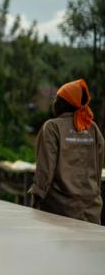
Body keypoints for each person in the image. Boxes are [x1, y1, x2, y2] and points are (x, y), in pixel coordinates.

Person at [29, 79, 104, 224]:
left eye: (57, 98)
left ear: (63, 103)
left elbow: (45, 171)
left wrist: (36, 198)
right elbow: (97, 168)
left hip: (60, 210)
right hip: (91, 209)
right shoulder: (92, 128)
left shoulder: (52, 127)